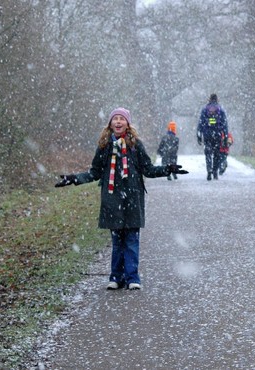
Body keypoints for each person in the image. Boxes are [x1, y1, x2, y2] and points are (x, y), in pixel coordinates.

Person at [55, 107, 188, 290]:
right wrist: (74, 178)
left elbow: (147, 169)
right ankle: (116, 276)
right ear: (110, 124)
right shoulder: (104, 146)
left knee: (132, 239)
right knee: (117, 241)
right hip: (112, 199)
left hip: (133, 198)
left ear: (127, 123)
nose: (118, 122)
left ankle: (133, 277)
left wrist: (168, 169)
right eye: (115, 119)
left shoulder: (135, 145)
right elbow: (95, 172)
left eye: (122, 119)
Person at [196, 93, 228, 180]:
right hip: (217, 135)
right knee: (217, 154)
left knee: (208, 153)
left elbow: (201, 123)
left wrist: (199, 135)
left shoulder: (205, 109)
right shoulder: (220, 109)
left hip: (207, 135)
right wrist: (225, 136)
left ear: (209, 99)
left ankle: (209, 170)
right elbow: (224, 124)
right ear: (217, 99)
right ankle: (215, 172)